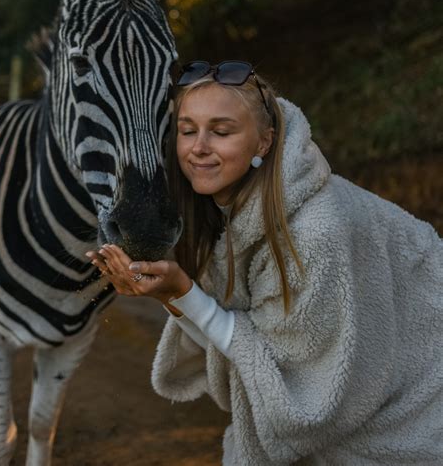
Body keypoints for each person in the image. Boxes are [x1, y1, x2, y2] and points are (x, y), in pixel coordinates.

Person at [87, 60, 442, 465]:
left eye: (221, 131)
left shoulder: (313, 232)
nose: (199, 147)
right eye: (187, 131)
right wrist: (175, 295)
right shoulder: (225, 216)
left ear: (264, 142)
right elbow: (254, 355)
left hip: (417, 411)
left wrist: (183, 293)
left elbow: (304, 395)